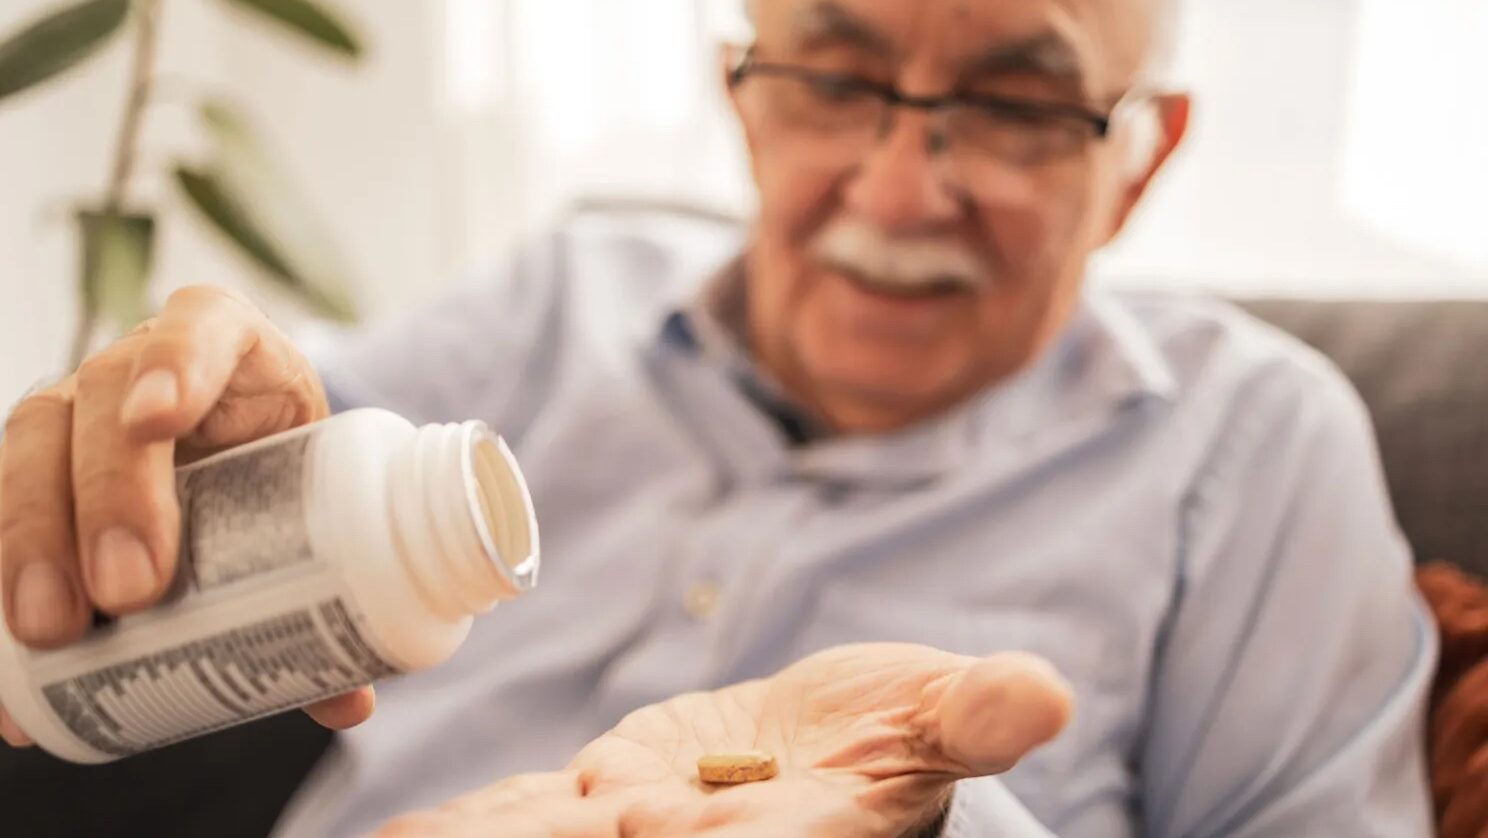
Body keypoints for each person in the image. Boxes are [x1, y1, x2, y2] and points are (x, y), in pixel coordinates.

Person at [0, 0, 1437, 835]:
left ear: (1143, 154)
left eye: (1014, 106)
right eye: (831, 74)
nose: (896, 192)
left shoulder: (1257, 451)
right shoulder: (561, 295)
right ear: (740, 91)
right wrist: (135, 497)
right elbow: (220, 533)